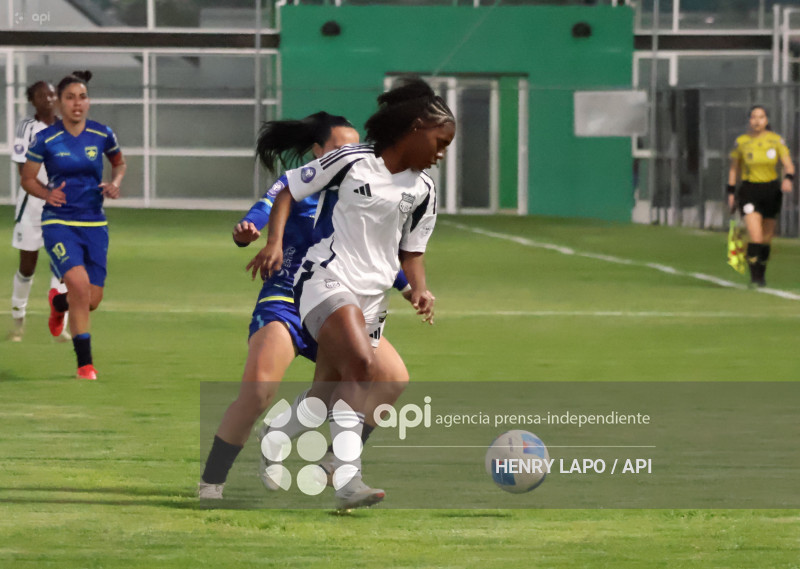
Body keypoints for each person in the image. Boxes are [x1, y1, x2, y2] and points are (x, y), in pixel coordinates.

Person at [258, 78, 456, 509]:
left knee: (327, 389)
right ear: (416, 128)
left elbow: (412, 252)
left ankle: (274, 434)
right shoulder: (352, 160)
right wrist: (273, 243)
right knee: (363, 367)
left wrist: (419, 290)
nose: (442, 153)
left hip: (372, 297)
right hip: (325, 277)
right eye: (440, 142)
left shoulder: (424, 190)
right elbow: (290, 188)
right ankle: (346, 476)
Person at [197, 112, 412, 501]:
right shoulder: (299, 184)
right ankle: (212, 481)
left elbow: (376, 250)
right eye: (339, 147)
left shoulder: (364, 190)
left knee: (392, 379)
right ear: (318, 151)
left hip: (336, 300)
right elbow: (261, 213)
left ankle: (334, 461)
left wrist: (409, 286)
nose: (351, 154)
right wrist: (249, 233)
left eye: (355, 146)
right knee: (258, 392)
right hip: (286, 298)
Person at [20, 71, 126, 380]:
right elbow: (27, 178)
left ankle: (59, 304)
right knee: (78, 285)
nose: (77, 104)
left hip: (94, 223)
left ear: (88, 102)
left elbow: (119, 162)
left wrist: (115, 182)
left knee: (91, 300)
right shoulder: (46, 138)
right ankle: (85, 365)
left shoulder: (102, 133)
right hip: (59, 222)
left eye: (82, 97)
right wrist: (46, 193)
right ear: (61, 103)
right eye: (70, 98)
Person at [7, 80, 71, 343]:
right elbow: (24, 171)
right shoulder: (27, 127)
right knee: (27, 268)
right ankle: (18, 321)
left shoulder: (65, 127)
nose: (49, 98)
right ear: (32, 100)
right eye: (42, 94)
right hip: (32, 208)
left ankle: (60, 326)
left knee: (63, 265)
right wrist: (47, 192)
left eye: (52, 93)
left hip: (60, 209)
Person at [727, 105, 794, 287]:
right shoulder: (741, 142)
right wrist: (731, 192)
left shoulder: (776, 141)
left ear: (767, 120)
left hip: (771, 192)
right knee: (755, 236)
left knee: (766, 239)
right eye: (754, 117)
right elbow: (734, 168)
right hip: (749, 191)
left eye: (761, 117)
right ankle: (755, 278)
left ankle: (761, 273)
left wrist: (788, 179)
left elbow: (788, 165)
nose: (757, 121)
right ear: (749, 120)